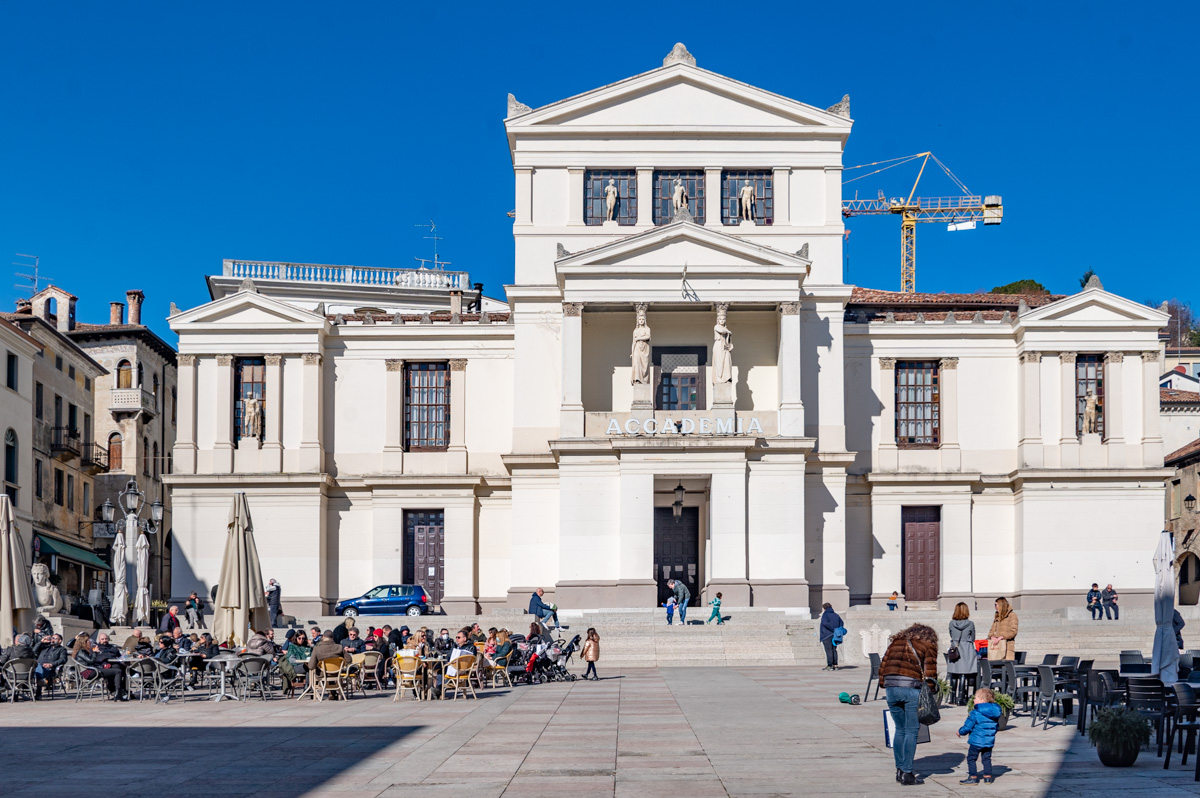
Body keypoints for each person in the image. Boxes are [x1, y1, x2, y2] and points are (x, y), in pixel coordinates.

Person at [879, 624, 940, 786]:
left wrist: (884, 685)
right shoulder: (928, 645)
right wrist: (930, 692)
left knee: (899, 730)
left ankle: (899, 770)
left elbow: (883, 666)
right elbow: (930, 673)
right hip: (911, 689)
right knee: (911, 731)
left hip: (891, 689)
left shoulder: (896, 642)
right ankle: (907, 772)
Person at [957, 687, 1001, 784]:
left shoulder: (975, 713)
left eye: (975, 698)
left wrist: (960, 731)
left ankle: (973, 777)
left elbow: (968, 726)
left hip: (977, 741)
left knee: (971, 758)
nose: (973, 699)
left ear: (981, 700)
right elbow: (996, 726)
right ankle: (987, 777)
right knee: (986, 758)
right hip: (989, 741)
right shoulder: (995, 713)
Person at [947, 602, 978, 705]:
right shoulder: (970, 623)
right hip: (967, 649)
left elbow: (951, 635)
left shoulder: (951, 623)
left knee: (954, 672)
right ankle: (961, 698)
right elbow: (973, 637)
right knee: (964, 673)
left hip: (955, 648)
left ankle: (952, 698)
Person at [85, 632, 129, 701]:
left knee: (123, 668)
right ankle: (117, 691)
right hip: (100, 668)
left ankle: (120, 691)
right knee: (117, 670)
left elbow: (120, 657)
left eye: (106, 639)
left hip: (113, 666)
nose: (105, 640)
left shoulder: (113, 647)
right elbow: (98, 658)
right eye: (102, 639)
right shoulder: (95, 648)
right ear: (99, 640)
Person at [33, 632, 67, 699]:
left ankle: (38, 692)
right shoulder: (45, 647)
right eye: (52, 638)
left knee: (37, 670)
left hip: (50, 669)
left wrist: (51, 664)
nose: (52, 640)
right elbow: (34, 651)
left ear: (60, 641)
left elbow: (63, 660)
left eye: (55, 638)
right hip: (39, 667)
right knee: (38, 667)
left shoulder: (62, 649)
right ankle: (40, 682)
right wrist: (41, 642)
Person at [818, 603, 843, 670]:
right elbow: (841, 623)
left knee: (829, 650)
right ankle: (835, 665)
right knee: (834, 650)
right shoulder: (836, 615)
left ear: (824, 608)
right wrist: (837, 630)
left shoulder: (825, 615)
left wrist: (832, 629)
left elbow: (824, 623)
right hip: (835, 635)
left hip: (826, 635)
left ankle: (830, 665)